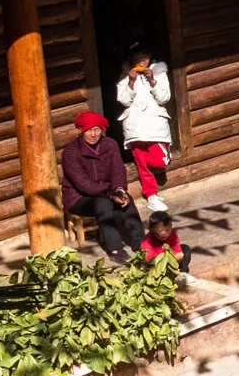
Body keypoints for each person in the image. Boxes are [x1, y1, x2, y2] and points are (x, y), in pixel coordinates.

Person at [59, 110, 145, 261]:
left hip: (106, 191)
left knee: (127, 199)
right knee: (103, 202)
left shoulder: (110, 144)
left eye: (96, 129)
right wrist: (111, 194)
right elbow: (84, 185)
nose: (93, 134)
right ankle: (115, 249)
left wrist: (119, 189)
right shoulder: (71, 151)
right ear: (81, 130)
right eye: (89, 130)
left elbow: (118, 170)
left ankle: (140, 243)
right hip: (79, 198)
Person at [116, 49, 174, 213]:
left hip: (155, 125)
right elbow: (124, 101)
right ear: (133, 59)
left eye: (146, 58)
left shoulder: (159, 73)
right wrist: (131, 82)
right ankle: (151, 196)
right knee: (142, 165)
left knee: (160, 161)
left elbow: (164, 98)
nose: (143, 62)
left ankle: (152, 188)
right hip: (135, 127)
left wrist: (152, 81)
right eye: (139, 58)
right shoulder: (124, 75)